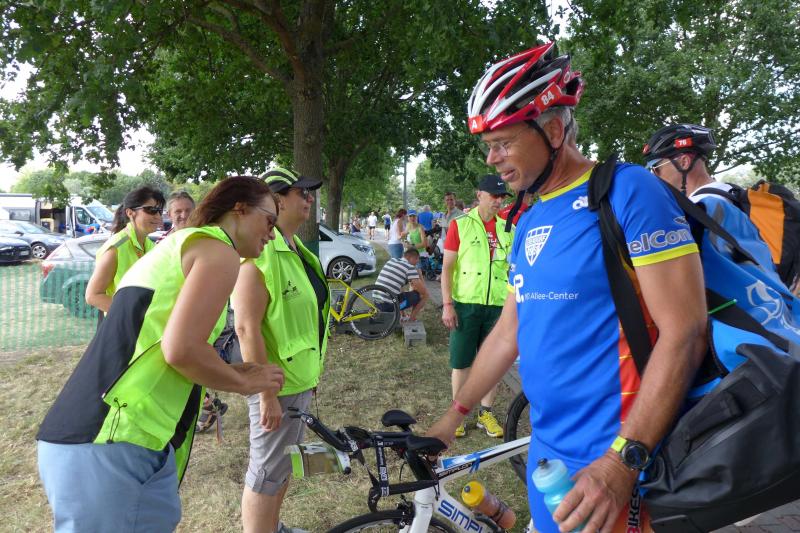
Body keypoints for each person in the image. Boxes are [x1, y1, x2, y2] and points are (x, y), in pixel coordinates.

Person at [427, 42, 707, 533]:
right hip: (549, 454)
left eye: (503, 142)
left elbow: (686, 330)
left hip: (616, 465)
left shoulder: (628, 192)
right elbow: (508, 332)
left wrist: (622, 462)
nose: (492, 159)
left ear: (554, 131)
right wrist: (453, 416)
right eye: (487, 145)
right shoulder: (530, 219)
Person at [36, 176, 285, 532]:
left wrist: (233, 371)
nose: (272, 234)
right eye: (269, 221)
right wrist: (244, 382)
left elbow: (165, 339)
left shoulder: (178, 245)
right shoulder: (219, 251)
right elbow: (180, 349)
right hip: (114, 438)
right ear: (240, 209)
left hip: (109, 437)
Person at [235, 167, 330, 533]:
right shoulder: (259, 256)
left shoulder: (296, 248)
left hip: (298, 380)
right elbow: (246, 327)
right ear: (276, 200)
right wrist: (266, 395)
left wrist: (312, 375)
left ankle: (272, 527)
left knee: (283, 467)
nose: (309, 198)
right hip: (276, 386)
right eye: (301, 193)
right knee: (265, 475)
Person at [440, 174, 513, 439]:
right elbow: (447, 269)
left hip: (497, 306)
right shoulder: (460, 225)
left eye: (502, 196)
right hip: (466, 305)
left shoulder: (509, 228)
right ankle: (458, 414)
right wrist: (447, 304)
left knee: (492, 363)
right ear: (479, 195)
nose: (499, 201)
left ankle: (486, 413)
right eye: (494, 195)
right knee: (462, 362)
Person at [85, 186, 165, 314]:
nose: (157, 216)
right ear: (130, 213)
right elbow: (93, 296)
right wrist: (132, 316)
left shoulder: (152, 246)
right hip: (124, 325)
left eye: (159, 211)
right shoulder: (115, 248)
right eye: (151, 210)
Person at [375, 247, 429, 321]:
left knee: (401, 294)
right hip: (389, 306)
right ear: (411, 258)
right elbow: (423, 291)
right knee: (423, 295)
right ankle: (411, 319)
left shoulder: (392, 260)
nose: (417, 262)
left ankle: (402, 315)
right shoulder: (410, 267)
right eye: (417, 259)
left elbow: (398, 291)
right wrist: (420, 274)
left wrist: (403, 314)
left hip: (377, 302)